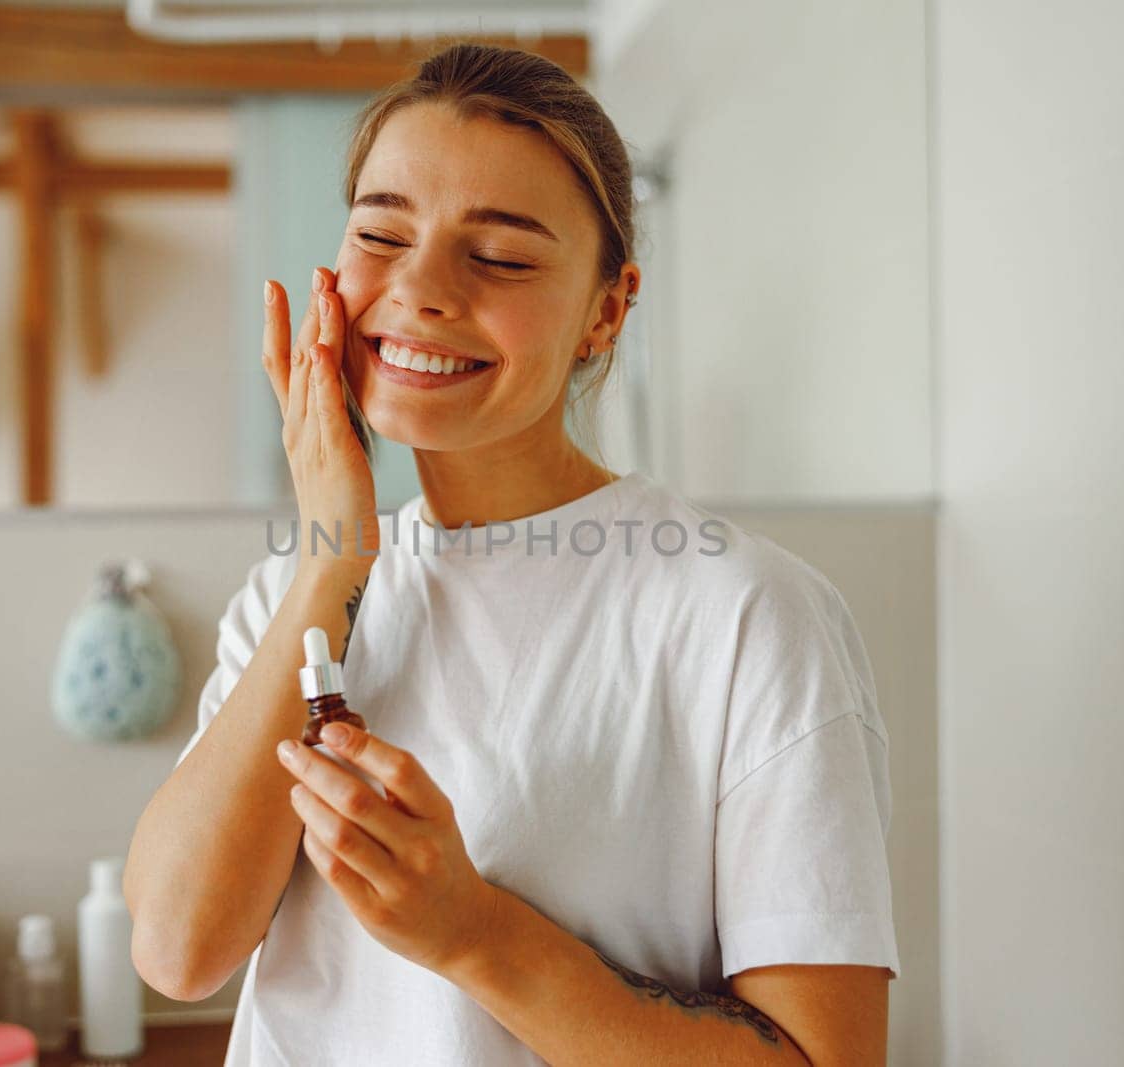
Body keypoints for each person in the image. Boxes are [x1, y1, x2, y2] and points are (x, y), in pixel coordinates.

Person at [124, 41, 900, 1066]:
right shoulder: (295, 589)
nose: (420, 289)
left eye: (499, 256)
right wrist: (331, 557)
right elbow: (178, 950)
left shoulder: (745, 614)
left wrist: (470, 929)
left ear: (604, 309)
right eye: (380, 233)